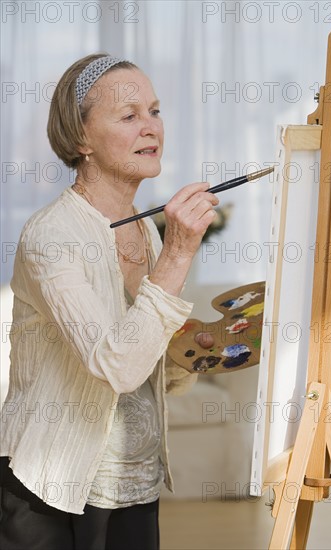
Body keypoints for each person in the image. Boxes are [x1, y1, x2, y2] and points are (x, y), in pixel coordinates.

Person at [0, 54, 219, 550]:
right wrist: (180, 253)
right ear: (81, 139)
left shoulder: (147, 229)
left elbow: (143, 361)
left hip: (134, 482)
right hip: (53, 485)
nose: (151, 127)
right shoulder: (51, 235)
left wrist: (192, 352)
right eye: (129, 115)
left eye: (155, 111)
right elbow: (116, 366)